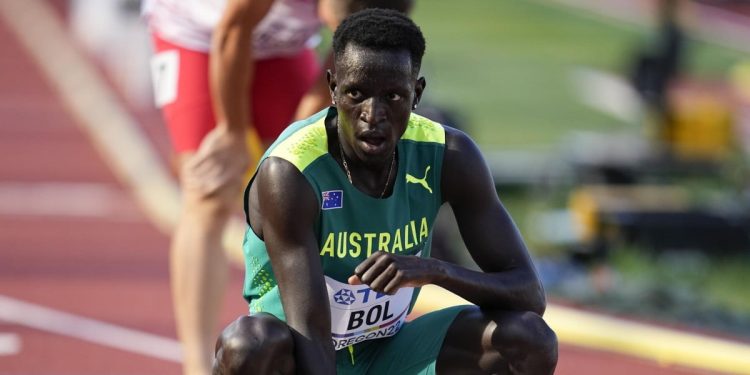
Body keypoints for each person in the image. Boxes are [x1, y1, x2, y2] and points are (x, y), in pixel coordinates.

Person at [213, 8, 558, 374]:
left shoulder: (449, 155)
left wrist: (433, 270)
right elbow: (311, 331)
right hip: (299, 354)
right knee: (249, 345)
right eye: (355, 94)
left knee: (527, 338)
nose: (372, 114)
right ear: (332, 89)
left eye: (392, 96)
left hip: (388, 350)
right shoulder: (290, 171)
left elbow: (529, 294)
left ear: (417, 94)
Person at [142, 1, 413, 374]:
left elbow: (347, 66)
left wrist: (296, 139)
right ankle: (195, 364)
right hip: (198, 36)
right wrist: (234, 132)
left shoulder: (379, 16)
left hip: (282, 46)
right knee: (210, 193)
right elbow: (233, 29)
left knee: (308, 179)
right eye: (340, 21)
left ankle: (310, 343)